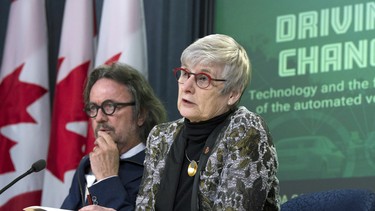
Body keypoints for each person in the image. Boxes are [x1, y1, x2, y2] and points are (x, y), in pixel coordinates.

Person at [136, 34, 280, 211]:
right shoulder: (161, 137)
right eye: (185, 73)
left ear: (233, 94)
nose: (187, 86)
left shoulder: (245, 130)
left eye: (203, 78)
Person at [61, 62, 167, 211]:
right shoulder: (87, 165)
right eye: (93, 108)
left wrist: (107, 179)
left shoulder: (159, 167)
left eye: (109, 106)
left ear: (140, 114)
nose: (99, 117)